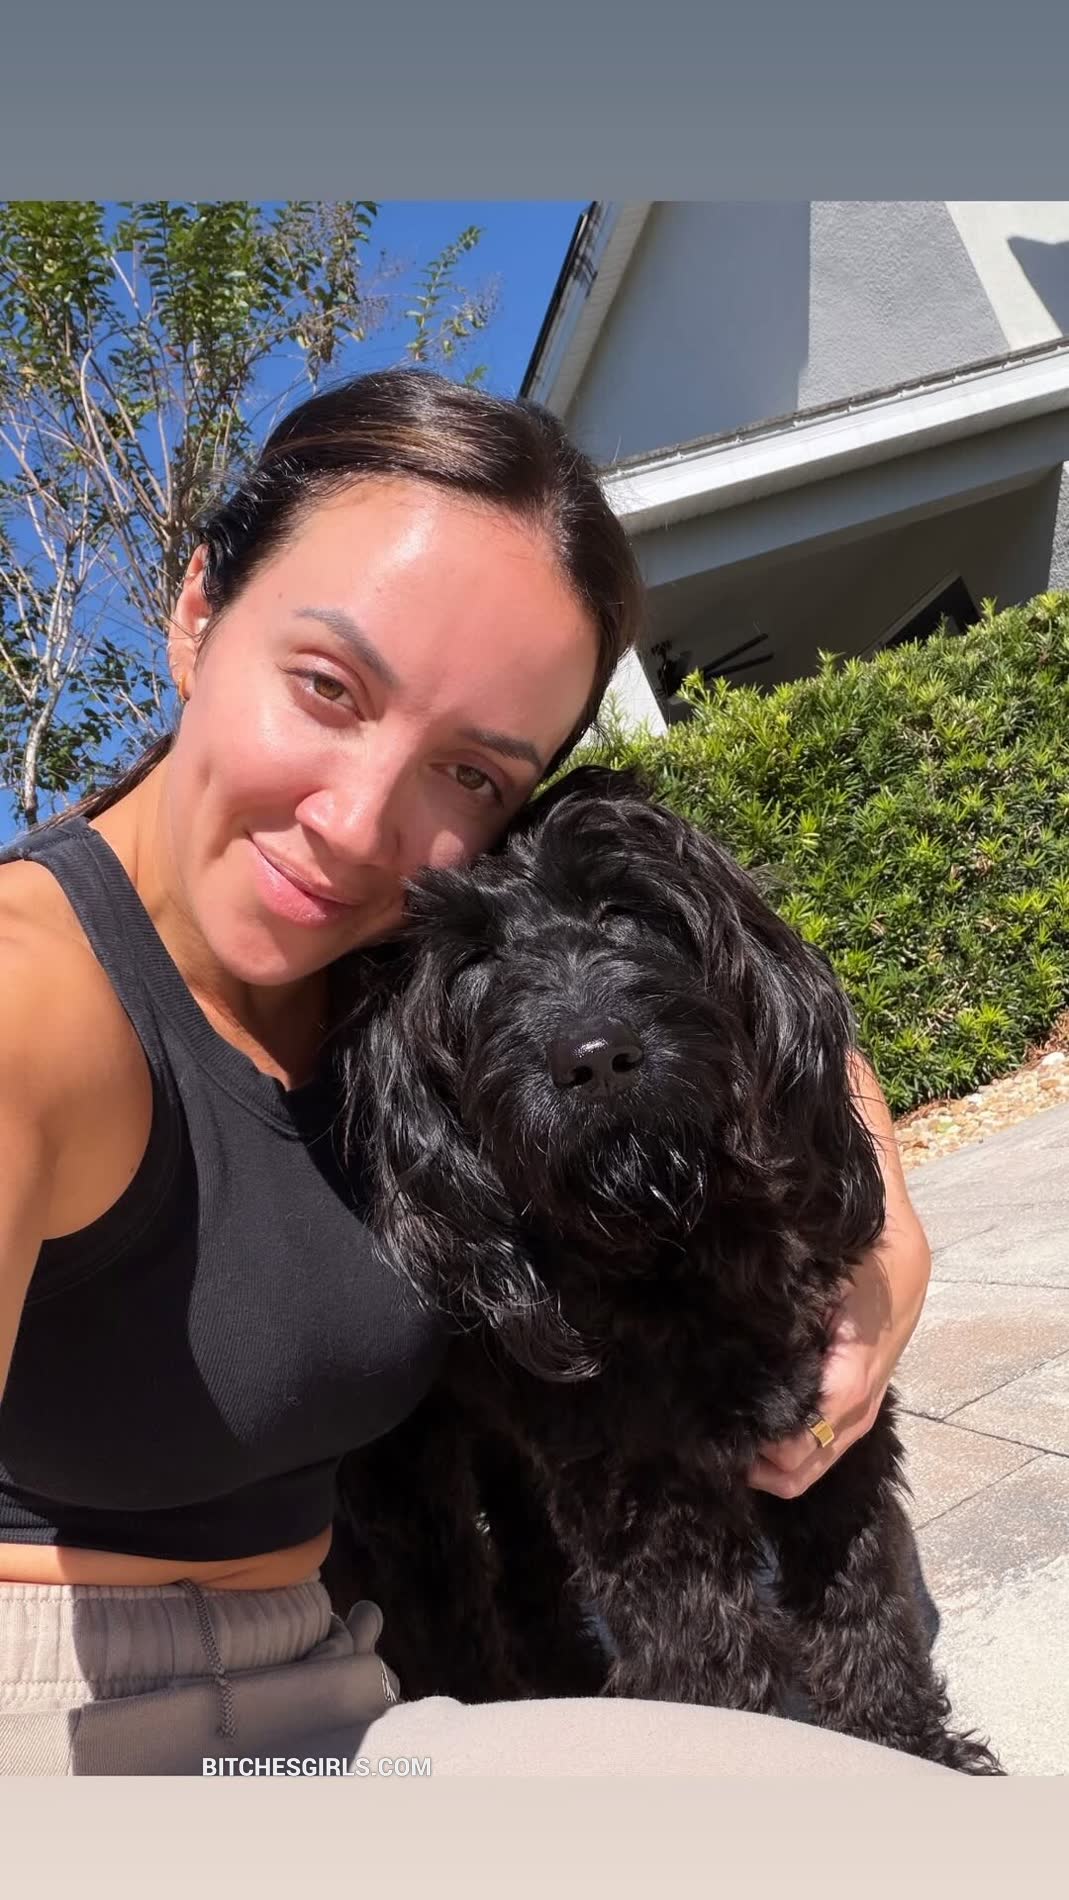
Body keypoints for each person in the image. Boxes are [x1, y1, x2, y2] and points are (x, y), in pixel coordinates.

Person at [0, 367, 940, 1777]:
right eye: (327, 686)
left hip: (361, 1679)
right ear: (196, 611)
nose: (357, 822)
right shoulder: (30, 996)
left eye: (473, 773)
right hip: (93, 1727)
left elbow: (739, 992)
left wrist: (885, 1238)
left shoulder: (397, 943)